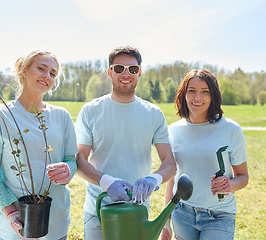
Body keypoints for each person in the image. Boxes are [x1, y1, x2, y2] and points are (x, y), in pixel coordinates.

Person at [75, 46, 177, 240]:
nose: (126, 74)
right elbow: (80, 160)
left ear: (139, 73)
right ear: (109, 72)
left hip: (136, 212)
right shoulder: (90, 111)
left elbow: (169, 163)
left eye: (132, 69)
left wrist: (153, 179)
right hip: (98, 211)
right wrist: (106, 182)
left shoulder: (153, 113)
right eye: (119, 68)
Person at [0, 50, 78, 240]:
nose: (47, 76)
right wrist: (10, 212)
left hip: (57, 221)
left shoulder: (62, 116)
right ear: (24, 70)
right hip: (18, 223)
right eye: (41, 68)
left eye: (53, 73)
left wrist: (68, 170)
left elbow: (71, 161)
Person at [160, 69, 249, 240]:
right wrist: (166, 223)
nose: (197, 97)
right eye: (191, 91)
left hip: (219, 215)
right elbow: (172, 180)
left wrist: (229, 185)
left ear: (213, 96)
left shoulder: (231, 130)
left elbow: (243, 177)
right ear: (183, 95)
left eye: (205, 92)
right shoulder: (172, 131)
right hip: (182, 213)